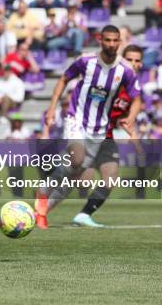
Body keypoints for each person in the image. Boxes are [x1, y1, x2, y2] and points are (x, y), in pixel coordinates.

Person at [36, 25, 141, 228]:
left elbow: (137, 100)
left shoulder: (125, 71)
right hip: (77, 120)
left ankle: (44, 210)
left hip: (100, 130)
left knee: (76, 175)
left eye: (115, 40)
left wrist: (132, 118)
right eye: (107, 40)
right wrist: (51, 109)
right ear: (100, 40)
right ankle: (44, 190)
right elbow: (64, 79)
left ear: (120, 42)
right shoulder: (86, 61)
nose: (111, 44)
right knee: (77, 160)